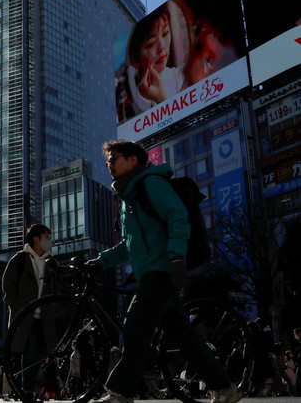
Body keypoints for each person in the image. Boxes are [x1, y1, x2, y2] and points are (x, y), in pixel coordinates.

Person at [87, 139, 241, 403]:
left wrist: (176, 256)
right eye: (108, 160)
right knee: (183, 335)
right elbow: (129, 245)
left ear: (133, 160)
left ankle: (121, 392)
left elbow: (177, 216)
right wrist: (99, 262)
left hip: (161, 270)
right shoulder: (129, 197)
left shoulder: (150, 183)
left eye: (114, 158)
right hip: (152, 271)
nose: (109, 164)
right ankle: (225, 388)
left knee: (136, 328)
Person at [1, 224, 58, 396]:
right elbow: (7, 287)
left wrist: (55, 307)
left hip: (46, 318)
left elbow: (57, 288)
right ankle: (27, 391)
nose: (49, 239)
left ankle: (32, 390)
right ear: (36, 238)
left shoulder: (51, 262)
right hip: (26, 316)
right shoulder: (19, 259)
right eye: (46, 236)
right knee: (31, 351)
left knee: (44, 354)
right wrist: (18, 307)